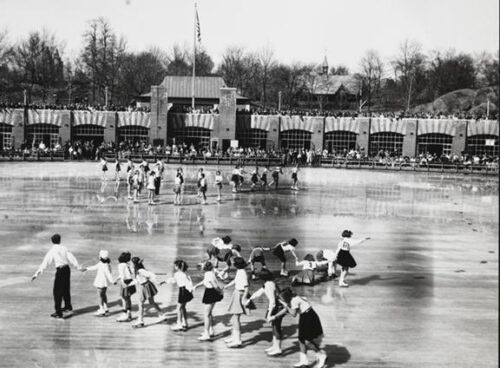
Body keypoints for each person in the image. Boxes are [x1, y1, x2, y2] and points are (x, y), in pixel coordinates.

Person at [272, 287, 327, 368]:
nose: (281, 300)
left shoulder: (294, 301)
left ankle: (321, 355)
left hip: (308, 317)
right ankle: (304, 361)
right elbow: (286, 310)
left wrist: (286, 305)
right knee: (301, 339)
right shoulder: (294, 298)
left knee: (307, 340)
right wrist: (274, 316)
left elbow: (293, 314)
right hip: (306, 316)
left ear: (286, 298)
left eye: (282, 299)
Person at [32, 234, 80, 318]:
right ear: (60, 240)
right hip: (67, 269)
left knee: (57, 292)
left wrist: (37, 273)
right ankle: (68, 307)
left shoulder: (52, 250)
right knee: (66, 289)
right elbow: (72, 258)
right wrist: (78, 267)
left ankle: (58, 312)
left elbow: (45, 263)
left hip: (60, 270)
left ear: (52, 241)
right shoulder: (64, 248)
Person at [245, 269, 284, 356]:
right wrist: (250, 299)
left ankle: (278, 348)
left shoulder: (269, 285)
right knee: (274, 326)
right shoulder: (268, 283)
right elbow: (260, 292)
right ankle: (275, 346)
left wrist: (270, 314)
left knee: (277, 327)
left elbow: (272, 301)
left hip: (277, 307)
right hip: (276, 306)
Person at [129, 257, 165, 328]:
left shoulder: (140, 270)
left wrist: (156, 281)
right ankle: (161, 315)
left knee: (140, 303)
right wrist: (129, 285)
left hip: (145, 286)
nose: (130, 264)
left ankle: (140, 320)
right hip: (146, 285)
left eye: (131, 263)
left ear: (134, 264)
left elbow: (151, 275)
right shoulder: (137, 271)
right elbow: (137, 281)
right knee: (151, 302)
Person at [193, 261, 223, 341]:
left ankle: (206, 334)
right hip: (211, 292)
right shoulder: (210, 273)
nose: (200, 268)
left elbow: (214, 284)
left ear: (205, 267)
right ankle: (210, 330)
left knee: (206, 314)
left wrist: (220, 291)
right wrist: (197, 285)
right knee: (209, 313)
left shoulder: (208, 274)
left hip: (210, 292)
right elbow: (205, 281)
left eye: (202, 266)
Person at [223, 257, 249, 348]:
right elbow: (235, 281)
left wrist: (244, 298)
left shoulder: (242, 273)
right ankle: (234, 337)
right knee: (234, 317)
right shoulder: (240, 271)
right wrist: (227, 286)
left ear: (237, 264)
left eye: (234, 263)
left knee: (236, 317)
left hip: (240, 294)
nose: (232, 264)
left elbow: (246, 287)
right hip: (237, 292)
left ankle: (237, 340)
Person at [82, 249, 114, 316]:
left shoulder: (103, 265)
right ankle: (105, 308)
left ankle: (101, 309)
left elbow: (108, 274)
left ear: (100, 257)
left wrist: (112, 281)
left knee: (100, 296)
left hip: (100, 282)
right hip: (105, 283)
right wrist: (86, 268)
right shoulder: (106, 264)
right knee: (103, 295)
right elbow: (109, 272)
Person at [167, 260, 193, 331]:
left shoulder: (177, 274)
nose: (174, 267)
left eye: (175, 265)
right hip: (187, 291)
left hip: (182, 291)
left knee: (178, 308)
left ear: (178, 267)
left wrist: (165, 281)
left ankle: (179, 324)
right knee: (183, 307)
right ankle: (185, 323)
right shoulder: (185, 274)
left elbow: (173, 280)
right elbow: (189, 282)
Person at [115, 252, 135, 322]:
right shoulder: (127, 264)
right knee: (128, 298)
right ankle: (129, 313)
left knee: (124, 298)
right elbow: (130, 273)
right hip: (130, 281)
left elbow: (122, 275)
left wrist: (122, 282)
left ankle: (124, 314)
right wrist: (117, 279)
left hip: (125, 282)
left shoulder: (120, 265)